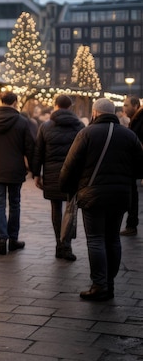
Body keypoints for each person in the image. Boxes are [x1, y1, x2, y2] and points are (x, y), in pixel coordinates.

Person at [60, 98, 143, 301]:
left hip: (93, 195)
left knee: (96, 239)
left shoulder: (86, 133)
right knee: (113, 238)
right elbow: (140, 168)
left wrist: (66, 188)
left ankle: (99, 284)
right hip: (121, 195)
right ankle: (110, 283)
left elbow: (70, 165)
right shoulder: (129, 135)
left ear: (95, 113)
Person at [0, 92, 35, 255]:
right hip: (15, 170)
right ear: (15, 102)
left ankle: (1, 239)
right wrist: (32, 168)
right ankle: (13, 238)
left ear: (0, 102)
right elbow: (29, 147)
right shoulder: (23, 122)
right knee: (15, 204)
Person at [31, 95, 84, 261]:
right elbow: (83, 153)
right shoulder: (79, 126)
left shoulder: (46, 126)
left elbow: (38, 151)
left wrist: (36, 174)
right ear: (70, 106)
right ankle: (66, 245)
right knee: (70, 209)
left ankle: (58, 244)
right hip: (72, 174)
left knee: (56, 209)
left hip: (52, 173)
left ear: (55, 105)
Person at [121, 95, 143, 236]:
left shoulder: (140, 120)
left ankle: (132, 224)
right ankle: (131, 223)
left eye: (126, 105)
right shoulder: (136, 119)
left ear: (135, 106)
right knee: (132, 193)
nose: (124, 108)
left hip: (136, 164)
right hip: (135, 164)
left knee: (132, 194)